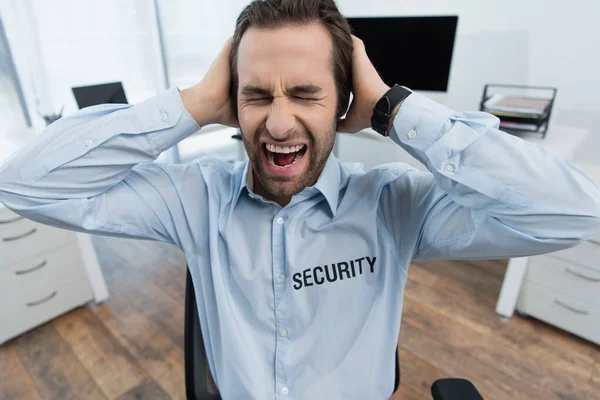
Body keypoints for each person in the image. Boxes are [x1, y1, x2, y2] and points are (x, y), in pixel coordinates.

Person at [1, 0, 599, 399]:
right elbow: (23, 184)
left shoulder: (394, 205)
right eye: (256, 95)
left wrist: (396, 110)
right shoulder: (193, 199)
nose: (279, 123)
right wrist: (192, 104)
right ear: (231, 102)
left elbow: (574, 213)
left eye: (306, 94)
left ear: (344, 105)